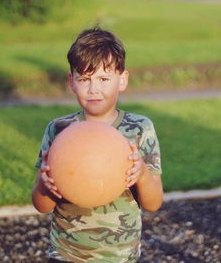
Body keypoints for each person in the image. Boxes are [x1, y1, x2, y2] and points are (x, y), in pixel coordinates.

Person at [32, 27, 163, 263]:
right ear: (72, 82)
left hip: (120, 256)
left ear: (122, 80)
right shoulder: (60, 130)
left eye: (104, 79)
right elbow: (41, 206)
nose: (94, 89)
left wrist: (142, 174)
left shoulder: (140, 128)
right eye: (84, 79)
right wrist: (44, 185)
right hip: (66, 254)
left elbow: (153, 203)